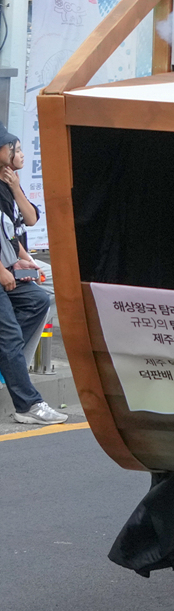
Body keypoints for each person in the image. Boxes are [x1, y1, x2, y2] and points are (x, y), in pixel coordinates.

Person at [0, 128, 61, 425]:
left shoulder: (8, 183)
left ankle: (9, 363)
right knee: (8, 337)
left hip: (10, 264)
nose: (21, 153)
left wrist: (23, 260)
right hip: (1, 270)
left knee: (38, 299)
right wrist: (2, 271)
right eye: (15, 148)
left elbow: (29, 220)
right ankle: (28, 404)